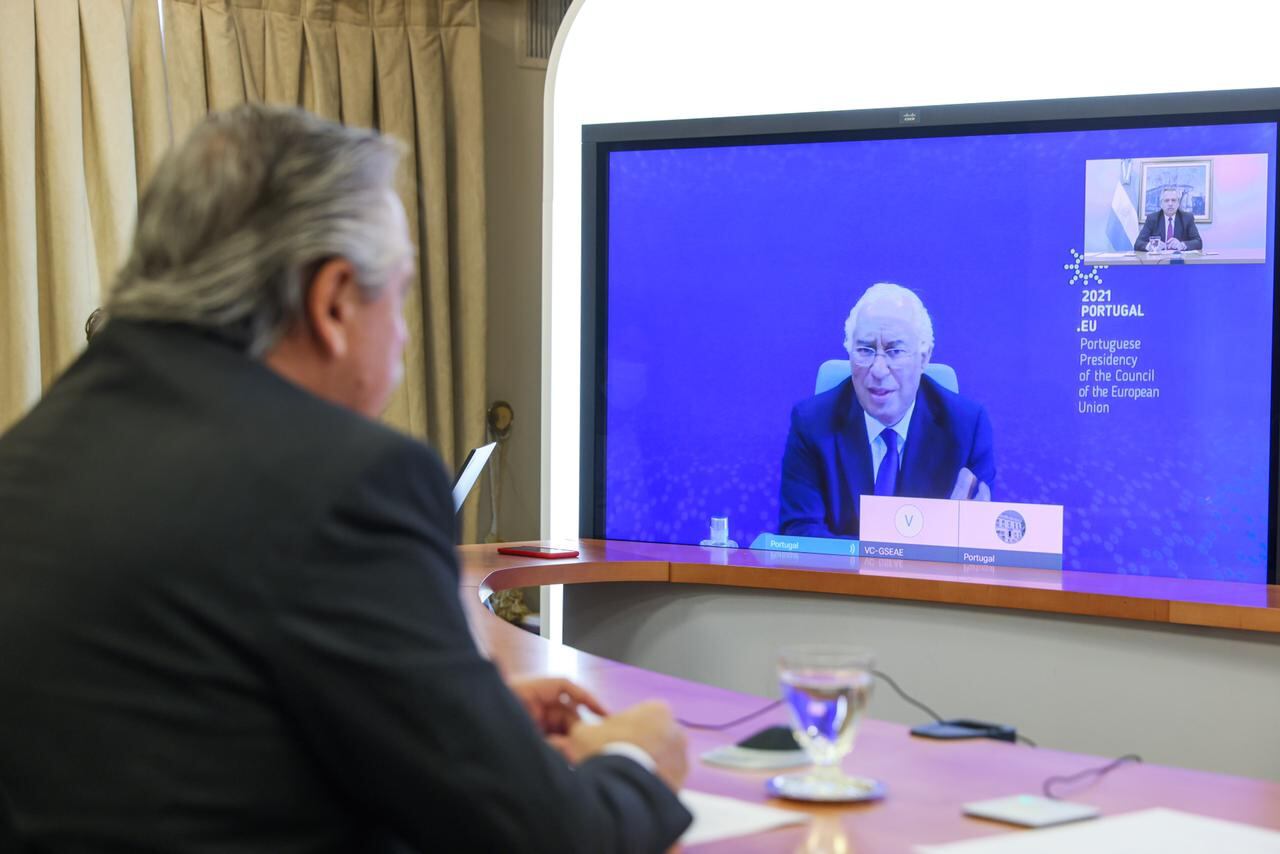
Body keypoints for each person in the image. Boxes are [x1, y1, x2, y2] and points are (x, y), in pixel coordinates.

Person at [0, 104, 690, 852]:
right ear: (331, 302)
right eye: (399, 295)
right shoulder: (346, 484)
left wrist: (453, 722)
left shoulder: (31, 456)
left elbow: (167, 731)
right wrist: (637, 759)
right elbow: (546, 840)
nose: (400, 338)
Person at [778, 282, 995, 538]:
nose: (879, 370)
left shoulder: (967, 427)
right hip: (842, 578)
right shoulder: (812, 423)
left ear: (924, 357)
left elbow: (975, 541)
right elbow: (800, 534)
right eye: (865, 350)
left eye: (895, 351)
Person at [1134, 186, 1203, 252]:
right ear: (1161, 204)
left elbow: (1198, 242)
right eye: (1166, 200)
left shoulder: (1187, 218)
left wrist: (1182, 245)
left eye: (1173, 200)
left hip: (1179, 261)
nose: (1170, 204)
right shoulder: (1152, 219)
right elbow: (1138, 243)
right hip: (1157, 261)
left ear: (1178, 203)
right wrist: (1152, 246)